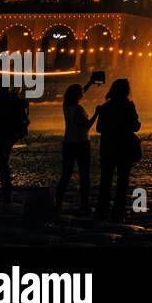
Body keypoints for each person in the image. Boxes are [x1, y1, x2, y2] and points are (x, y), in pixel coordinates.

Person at [94, 78, 141, 219]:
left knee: (106, 178)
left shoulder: (105, 107)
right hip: (125, 146)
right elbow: (136, 126)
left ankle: (102, 208)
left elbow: (99, 128)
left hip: (108, 147)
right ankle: (119, 208)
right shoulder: (128, 106)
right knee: (123, 178)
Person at [55, 80, 100, 213]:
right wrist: (96, 113)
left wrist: (90, 83)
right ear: (77, 96)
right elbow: (87, 126)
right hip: (81, 143)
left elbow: (81, 91)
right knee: (84, 175)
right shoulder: (78, 109)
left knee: (66, 174)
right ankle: (84, 205)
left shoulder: (66, 106)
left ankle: (58, 203)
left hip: (68, 143)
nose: (83, 94)